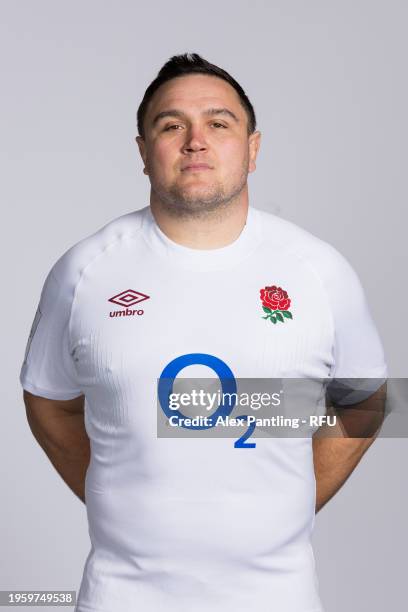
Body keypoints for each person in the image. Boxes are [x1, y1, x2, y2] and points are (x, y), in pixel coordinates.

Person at [20, 52, 387, 612]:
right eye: (172, 126)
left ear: (253, 148)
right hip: (122, 598)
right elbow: (49, 403)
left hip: (277, 599)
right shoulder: (84, 272)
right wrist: (116, 505)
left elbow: (364, 401)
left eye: (219, 123)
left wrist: (288, 503)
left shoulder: (319, 271)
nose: (196, 141)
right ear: (143, 153)